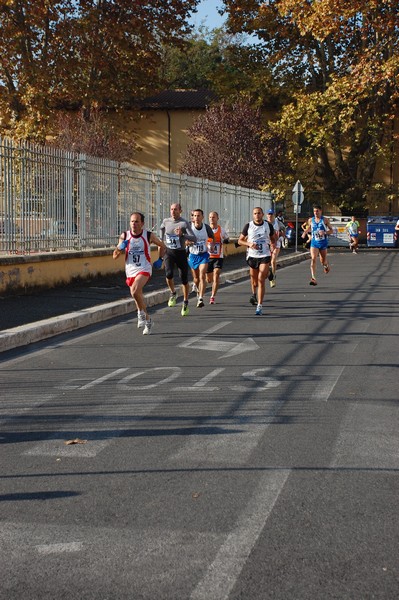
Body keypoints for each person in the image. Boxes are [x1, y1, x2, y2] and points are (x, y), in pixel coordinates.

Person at [113, 211, 166, 335]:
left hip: (144, 268)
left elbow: (162, 246)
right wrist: (120, 248)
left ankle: (140, 314)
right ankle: (148, 320)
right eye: (132, 221)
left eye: (137, 221)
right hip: (130, 270)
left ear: (142, 223)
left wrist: (160, 259)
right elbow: (114, 256)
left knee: (134, 291)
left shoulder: (148, 235)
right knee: (138, 297)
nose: (134, 224)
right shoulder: (124, 236)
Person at [238, 206, 276, 315]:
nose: (257, 215)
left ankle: (259, 305)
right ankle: (269, 273)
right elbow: (240, 241)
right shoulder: (248, 226)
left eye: (259, 213)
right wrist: (249, 244)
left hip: (264, 255)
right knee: (254, 282)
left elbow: (273, 239)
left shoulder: (267, 225)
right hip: (252, 256)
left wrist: (272, 245)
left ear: (262, 214)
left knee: (260, 279)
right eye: (255, 213)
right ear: (253, 215)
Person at [159, 203, 195, 317]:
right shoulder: (166, 221)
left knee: (183, 278)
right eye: (171, 209)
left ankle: (185, 302)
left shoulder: (184, 223)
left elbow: (194, 237)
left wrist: (182, 234)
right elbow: (161, 229)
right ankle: (173, 293)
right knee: (168, 274)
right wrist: (161, 241)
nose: (173, 211)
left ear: (180, 211)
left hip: (180, 253)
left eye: (175, 209)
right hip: (169, 252)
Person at [186, 209, 214, 307]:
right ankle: (198, 291)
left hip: (204, 255)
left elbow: (212, 239)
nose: (197, 218)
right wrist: (189, 242)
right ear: (192, 217)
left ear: (202, 217)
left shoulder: (206, 228)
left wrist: (211, 244)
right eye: (195, 216)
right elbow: (184, 241)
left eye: (199, 216)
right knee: (196, 279)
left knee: (202, 275)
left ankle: (201, 298)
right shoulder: (189, 227)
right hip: (193, 255)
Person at [301, 205, 333, 286]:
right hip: (314, 243)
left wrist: (325, 232)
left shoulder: (325, 220)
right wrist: (305, 232)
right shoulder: (311, 220)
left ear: (321, 211)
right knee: (313, 259)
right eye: (314, 211)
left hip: (323, 243)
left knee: (322, 261)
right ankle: (313, 278)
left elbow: (331, 230)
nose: (315, 213)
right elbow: (309, 228)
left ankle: (326, 266)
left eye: (317, 211)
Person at [206, 211, 229, 304]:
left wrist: (226, 240)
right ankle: (210, 285)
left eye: (214, 217)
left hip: (218, 257)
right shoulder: (205, 230)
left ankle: (212, 297)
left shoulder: (222, 230)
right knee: (209, 279)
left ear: (217, 218)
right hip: (207, 257)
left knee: (216, 275)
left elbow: (227, 239)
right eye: (210, 217)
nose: (212, 219)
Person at [266, 208, 285, 288]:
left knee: (273, 260)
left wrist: (281, 236)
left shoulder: (278, 222)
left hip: (276, 243)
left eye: (271, 214)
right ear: (267, 215)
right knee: (267, 262)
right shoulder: (264, 223)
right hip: (267, 244)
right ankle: (270, 274)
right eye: (269, 214)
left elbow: (283, 230)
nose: (270, 216)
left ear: (274, 215)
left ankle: (273, 277)